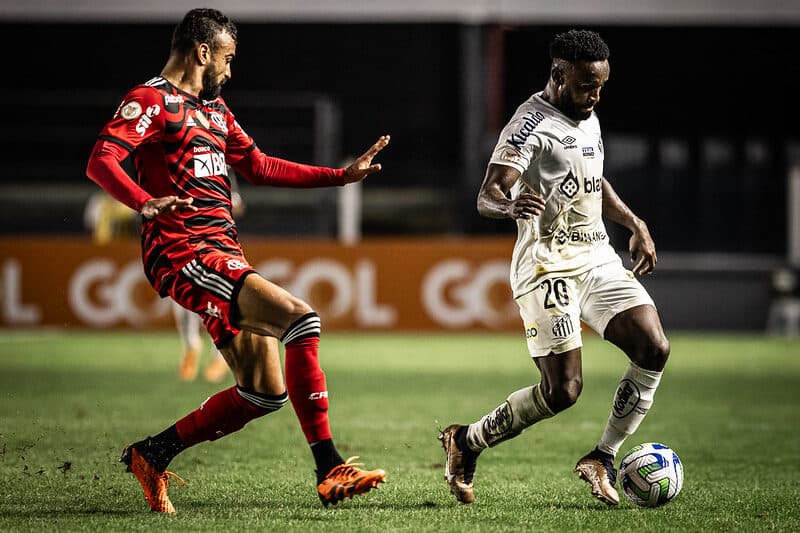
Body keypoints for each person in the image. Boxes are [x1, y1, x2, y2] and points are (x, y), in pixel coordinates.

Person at [86, 8, 389, 513]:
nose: (230, 70)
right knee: (301, 320)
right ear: (202, 52)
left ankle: (151, 453)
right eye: (227, 58)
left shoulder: (215, 111)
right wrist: (144, 200)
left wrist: (339, 176)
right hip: (183, 252)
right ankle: (329, 468)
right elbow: (101, 159)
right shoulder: (151, 101)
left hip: (222, 252)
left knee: (264, 391)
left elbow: (260, 165)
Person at [438, 29, 669, 507]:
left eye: (601, 85)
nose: (596, 95)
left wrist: (634, 222)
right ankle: (466, 441)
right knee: (563, 391)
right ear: (559, 74)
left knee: (653, 347)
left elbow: (592, 176)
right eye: (587, 85)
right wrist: (510, 206)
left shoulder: (589, 114)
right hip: (547, 267)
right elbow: (488, 194)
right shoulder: (527, 126)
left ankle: (602, 457)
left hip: (597, 258)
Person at [175, 167, 246, 383]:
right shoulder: (179, 161)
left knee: (219, 298)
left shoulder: (221, 166)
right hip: (188, 238)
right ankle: (191, 346)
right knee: (181, 292)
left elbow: (238, 205)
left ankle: (220, 355)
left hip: (218, 241)